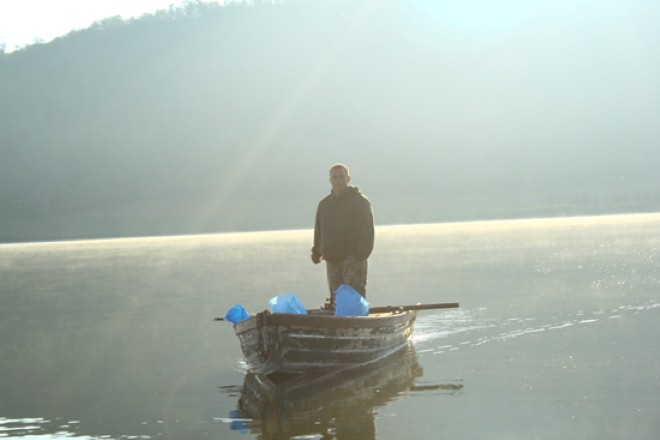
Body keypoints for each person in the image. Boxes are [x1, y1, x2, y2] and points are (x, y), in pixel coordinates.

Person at [311, 163, 374, 304]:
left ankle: (359, 325)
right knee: (337, 302)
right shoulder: (324, 204)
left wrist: (360, 256)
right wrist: (316, 251)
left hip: (353, 259)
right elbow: (319, 230)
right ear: (330, 180)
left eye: (341, 176)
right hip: (332, 259)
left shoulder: (360, 202)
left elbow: (367, 231)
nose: (338, 180)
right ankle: (339, 325)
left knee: (354, 300)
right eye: (334, 177)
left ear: (348, 178)